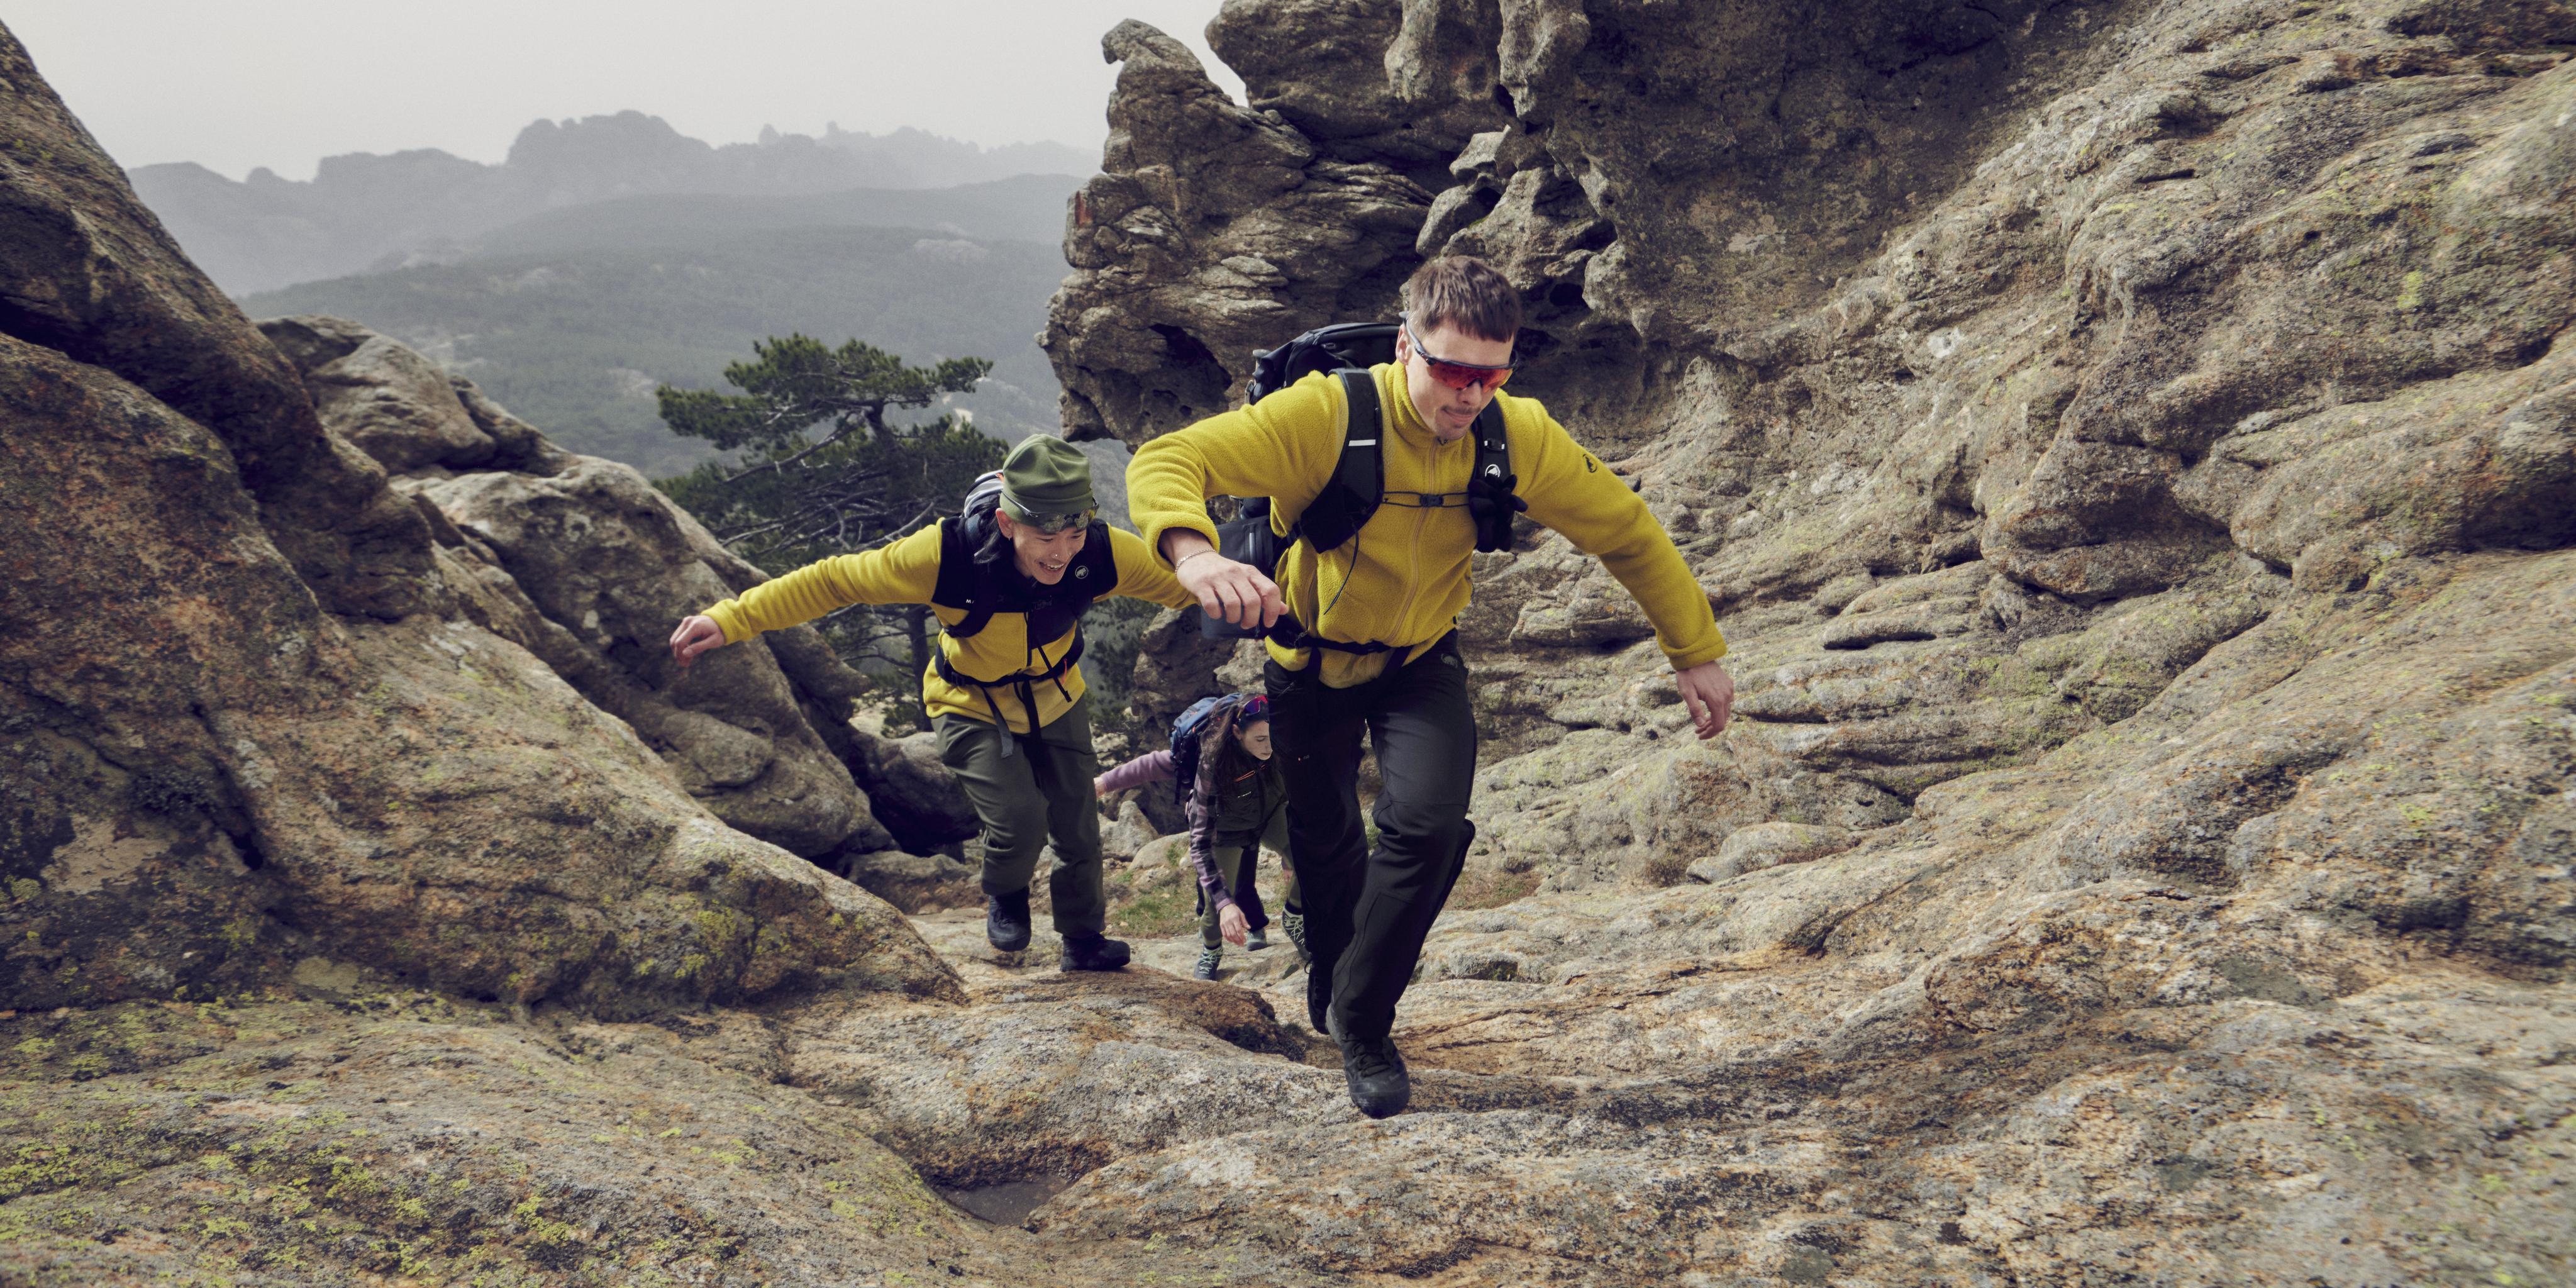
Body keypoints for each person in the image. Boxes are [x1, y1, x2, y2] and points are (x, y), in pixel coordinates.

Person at [1126, 255, 1736, 1118]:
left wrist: (1693, 647)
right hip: (1307, 664)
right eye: (1450, 369)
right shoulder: (1325, 415)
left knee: (1429, 826)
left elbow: (1626, 531)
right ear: (1405, 343)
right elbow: (1169, 458)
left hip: (1419, 662)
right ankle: (1336, 969)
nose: (1469, 394)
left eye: (1492, 375)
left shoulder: (1515, 433)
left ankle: (1363, 1023)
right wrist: (1194, 554)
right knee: (1328, 844)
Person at [669, 435, 1194, 971]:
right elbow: (834, 581)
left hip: (1056, 696)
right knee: (1018, 821)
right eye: (1046, 535)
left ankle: (1083, 941)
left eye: (1075, 533)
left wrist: (1259, 593)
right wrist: (731, 618)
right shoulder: (948, 558)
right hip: (968, 701)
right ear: (1009, 524)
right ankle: (1007, 893)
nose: (1062, 552)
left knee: (1078, 822)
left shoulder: (1101, 554)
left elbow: (1188, 584)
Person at [1094, 694, 1301, 980]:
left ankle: (1295, 918)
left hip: (1269, 813)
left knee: (1310, 852)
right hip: (1225, 833)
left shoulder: (1281, 740)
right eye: (1259, 740)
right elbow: (1200, 842)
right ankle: (1212, 950)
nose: (1268, 747)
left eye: (1271, 737)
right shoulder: (1212, 763)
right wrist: (1105, 783)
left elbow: (1291, 789)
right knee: (1216, 908)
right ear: (1237, 733)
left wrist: (1289, 858)